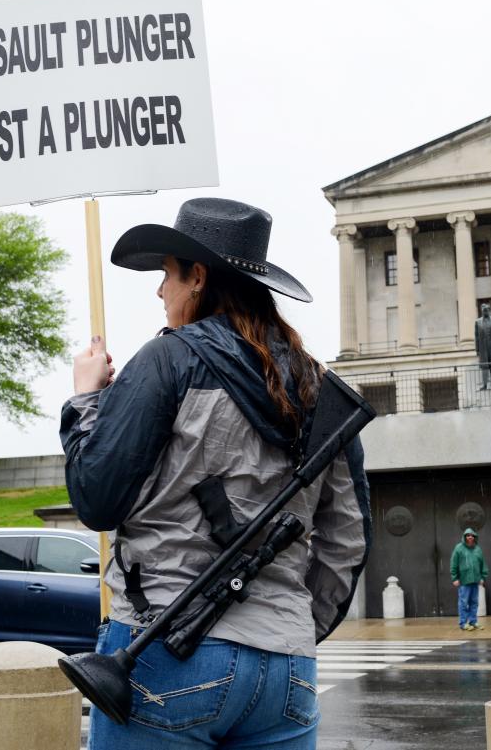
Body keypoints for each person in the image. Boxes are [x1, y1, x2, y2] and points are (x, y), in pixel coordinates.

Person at [60, 198, 370, 750]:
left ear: (197, 277)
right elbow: (347, 539)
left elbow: (96, 499)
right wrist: (288, 623)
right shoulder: (321, 391)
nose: (160, 292)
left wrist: (86, 400)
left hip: (160, 650)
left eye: (166, 275)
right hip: (287, 668)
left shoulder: (166, 362)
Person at [450, 527, 488, 631]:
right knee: (463, 602)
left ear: (474, 537)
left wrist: (482, 577)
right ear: (464, 537)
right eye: (468, 535)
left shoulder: (477, 549)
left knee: (474, 602)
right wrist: (454, 578)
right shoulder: (459, 548)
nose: (470, 537)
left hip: (475, 580)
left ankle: (473, 622)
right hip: (464, 581)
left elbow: (482, 564)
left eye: (472, 535)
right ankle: (463, 623)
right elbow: (454, 564)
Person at [474, 303, 491, 390]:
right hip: (483, 347)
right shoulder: (477, 322)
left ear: (489, 311)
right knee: (484, 366)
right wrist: (477, 349)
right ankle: (485, 385)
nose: (485, 312)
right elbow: (476, 337)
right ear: (481, 311)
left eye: (486, 310)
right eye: (483, 310)